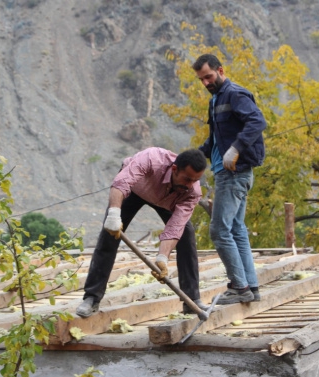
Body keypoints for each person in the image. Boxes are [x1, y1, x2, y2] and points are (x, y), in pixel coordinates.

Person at [76, 147, 210, 317]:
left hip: (167, 200)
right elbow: (121, 183)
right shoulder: (151, 159)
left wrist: (162, 258)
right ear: (175, 169)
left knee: (186, 235)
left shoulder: (191, 191)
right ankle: (92, 298)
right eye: (187, 179)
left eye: (195, 180)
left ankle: (191, 300)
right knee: (109, 236)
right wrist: (114, 214)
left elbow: (176, 226)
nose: (190, 185)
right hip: (135, 189)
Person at [193, 54, 267, 305]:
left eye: (208, 77)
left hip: (234, 173)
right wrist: (193, 156)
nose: (205, 83)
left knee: (219, 230)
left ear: (220, 70)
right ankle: (251, 287)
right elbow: (214, 139)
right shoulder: (215, 100)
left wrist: (235, 149)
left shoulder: (235, 94)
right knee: (236, 229)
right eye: (201, 79)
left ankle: (239, 287)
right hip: (225, 173)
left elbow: (257, 121)